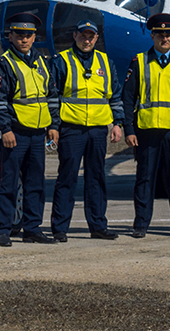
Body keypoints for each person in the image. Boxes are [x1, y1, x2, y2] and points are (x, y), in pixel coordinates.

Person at [122, 13, 170, 238]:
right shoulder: (139, 62)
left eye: (168, 34)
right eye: (159, 34)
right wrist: (129, 129)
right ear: (152, 35)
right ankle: (141, 225)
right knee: (145, 177)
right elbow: (128, 98)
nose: (164, 38)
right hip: (147, 131)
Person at [0, 13, 60, 246]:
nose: (24, 39)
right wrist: (5, 129)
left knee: (36, 183)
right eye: (19, 34)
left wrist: (54, 125)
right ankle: (4, 230)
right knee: (8, 183)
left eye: (28, 35)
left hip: (38, 134)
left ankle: (32, 228)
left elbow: (52, 97)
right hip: (15, 135)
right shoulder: (3, 66)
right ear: (10, 36)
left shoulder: (43, 63)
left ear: (34, 37)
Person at [48, 20, 124, 242]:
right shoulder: (61, 61)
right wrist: (54, 126)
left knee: (96, 178)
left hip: (98, 129)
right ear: (75, 36)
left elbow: (115, 95)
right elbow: (52, 97)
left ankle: (98, 225)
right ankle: (60, 227)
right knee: (67, 177)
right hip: (71, 129)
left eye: (91, 36)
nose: (87, 40)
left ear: (96, 38)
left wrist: (117, 123)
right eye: (83, 35)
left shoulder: (105, 62)